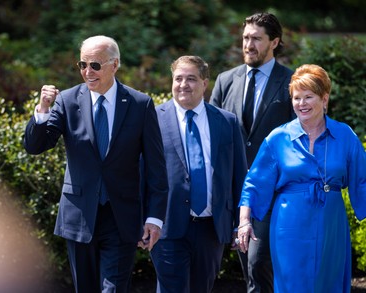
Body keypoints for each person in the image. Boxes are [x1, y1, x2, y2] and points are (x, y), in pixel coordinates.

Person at [23, 35, 168, 293]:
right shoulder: (67, 101)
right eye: (82, 65)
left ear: (115, 65)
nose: (87, 72)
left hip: (121, 217)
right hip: (79, 216)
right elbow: (36, 146)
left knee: (113, 289)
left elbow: (156, 167)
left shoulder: (139, 104)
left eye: (95, 65)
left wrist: (155, 218)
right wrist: (43, 110)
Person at [236, 64, 366, 292]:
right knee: (292, 283)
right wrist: (245, 222)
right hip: (288, 225)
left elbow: (362, 180)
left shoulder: (345, 135)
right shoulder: (278, 138)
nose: (301, 104)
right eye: (296, 98)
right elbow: (254, 183)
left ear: (324, 99)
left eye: (309, 97)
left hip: (331, 223)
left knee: (329, 282)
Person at [209, 12, 294, 292]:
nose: (249, 44)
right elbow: (212, 131)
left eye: (257, 39)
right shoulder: (225, 80)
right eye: (246, 38)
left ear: (274, 42)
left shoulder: (292, 81)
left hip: (272, 191)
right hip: (230, 189)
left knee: (259, 264)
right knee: (244, 269)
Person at [150, 55, 247, 293]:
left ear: (205, 84)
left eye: (191, 79)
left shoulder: (226, 121)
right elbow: (141, 172)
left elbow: (238, 176)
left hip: (211, 228)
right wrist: (146, 218)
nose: (183, 84)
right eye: (178, 78)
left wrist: (239, 222)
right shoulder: (152, 119)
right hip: (167, 224)